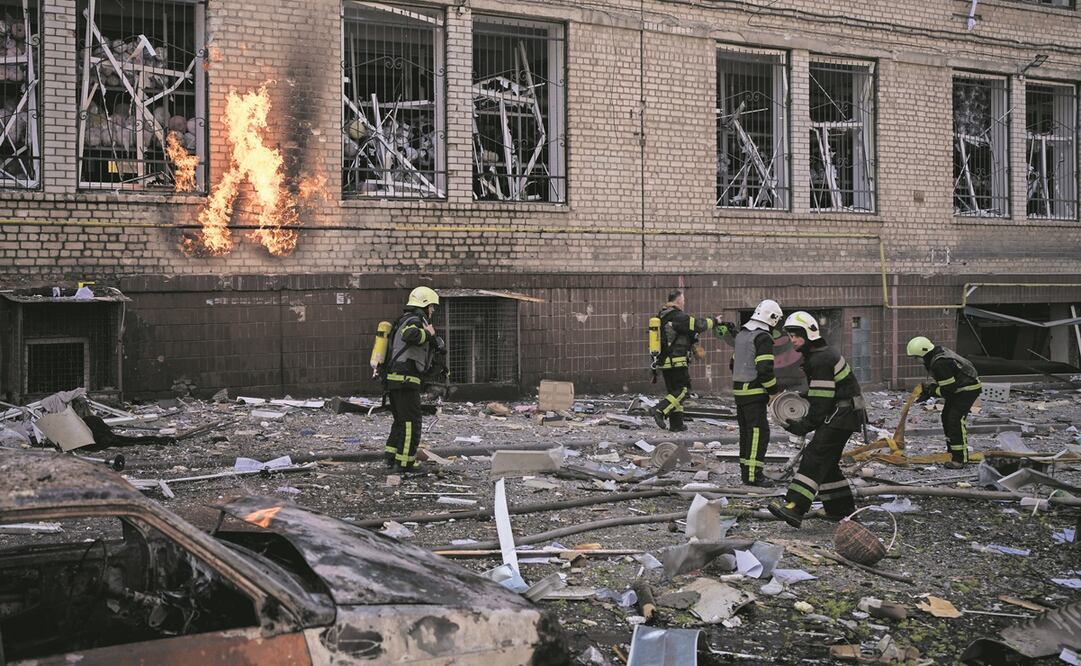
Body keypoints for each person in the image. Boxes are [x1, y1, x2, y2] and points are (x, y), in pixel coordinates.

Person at [768, 311, 866, 528]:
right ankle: (841, 510)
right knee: (827, 463)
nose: (792, 340)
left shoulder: (820, 359)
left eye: (796, 335)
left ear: (808, 334)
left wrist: (803, 426)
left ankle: (795, 507)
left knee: (814, 455)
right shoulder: (821, 354)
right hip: (845, 414)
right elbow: (823, 393)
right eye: (791, 335)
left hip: (841, 415)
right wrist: (803, 398)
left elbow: (821, 403)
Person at [382, 286, 444, 474]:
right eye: (431, 307)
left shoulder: (405, 319)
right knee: (412, 423)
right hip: (405, 380)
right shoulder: (415, 321)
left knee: (401, 421)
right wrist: (430, 335)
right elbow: (410, 335)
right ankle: (406, 463)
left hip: (395, 380)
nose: (432, 310)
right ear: (424, 305)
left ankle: (392, 457)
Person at [651, 290, 732, 432]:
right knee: (684, 390)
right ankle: (660, 410)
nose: (684, 303)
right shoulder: (678, 316)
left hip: (665, 361)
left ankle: (677, 424)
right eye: (683, 300)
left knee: (675, 393)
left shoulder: (662, 316)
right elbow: (697, 325)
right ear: (677, 301)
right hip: (676, 360)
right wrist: (715, 321)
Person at [725, 299, 782, 486]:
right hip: (755, 393)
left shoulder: (742, 335)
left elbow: (733, 364)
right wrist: (774, 392)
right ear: (772, 318)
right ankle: (753, 476)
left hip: (739, 393)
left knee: (746, 433)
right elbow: (765, 368)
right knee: (759, 433)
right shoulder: (763, 337)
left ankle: (746, 473)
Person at [906, 336, 982, 469]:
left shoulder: (940, 363)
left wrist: (931, 391)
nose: (916, 361)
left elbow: (948, 390)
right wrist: (930, 390)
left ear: (923, 353)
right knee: (946, 417)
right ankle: (952, 452)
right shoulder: (935, 356)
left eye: (916, 357)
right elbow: (946, 384)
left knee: (954, 419)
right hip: (959, 389)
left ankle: (960, 459)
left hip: (967, 389)